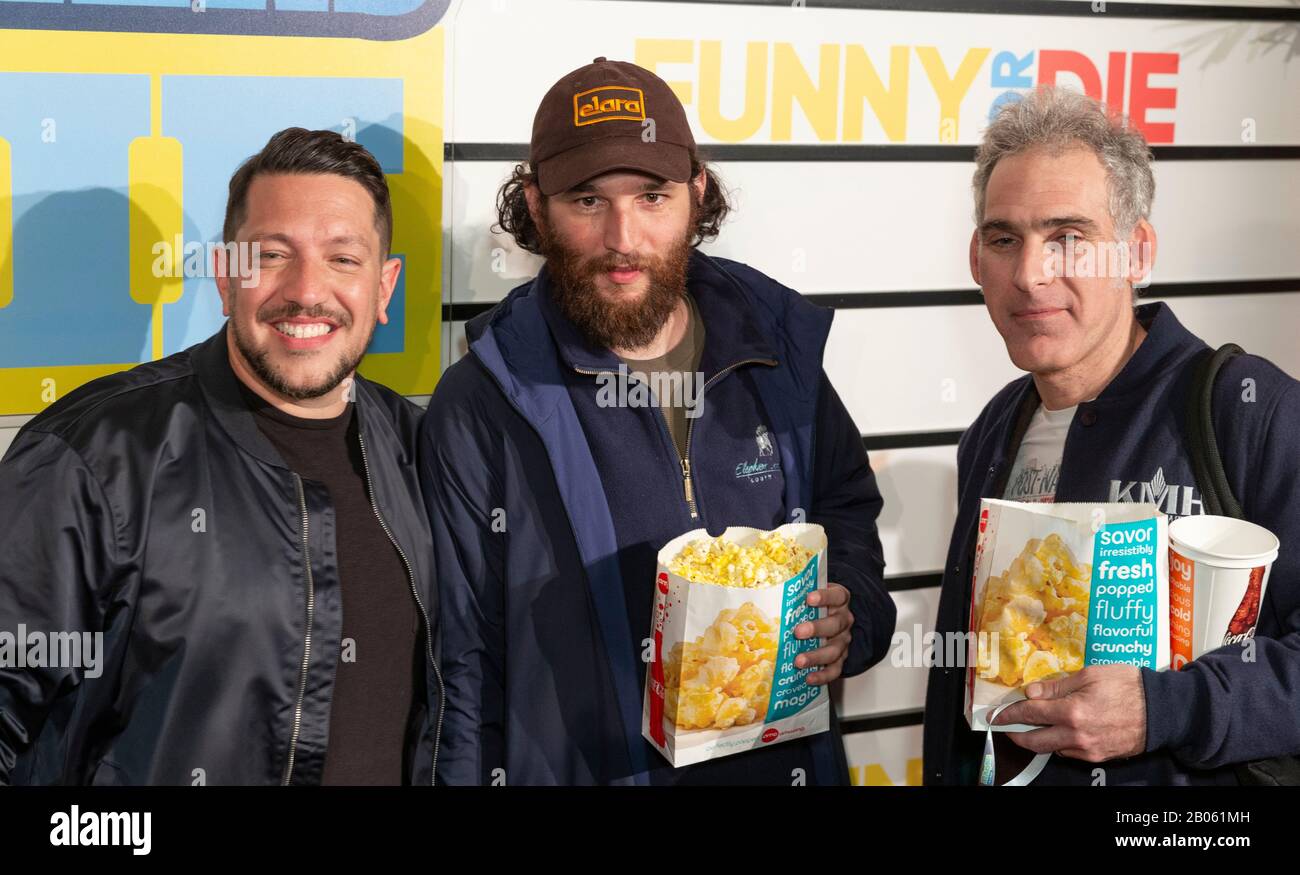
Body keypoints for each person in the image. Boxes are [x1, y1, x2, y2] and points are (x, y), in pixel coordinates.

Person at [421, 57, 894, 786]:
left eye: (651, 196)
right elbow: (461, 670)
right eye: (586, 200)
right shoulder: (481, 404)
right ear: (537, 209)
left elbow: (846, 511)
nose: (623, 236)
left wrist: (850, 610)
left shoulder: (777, 350)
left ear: (696, 192)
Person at [0, 128, 443, 785]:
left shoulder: (424, 450)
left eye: (343, 259)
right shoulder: (96, 453)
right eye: (270, 255)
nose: (306, 290)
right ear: (224, 275)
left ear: (384, 288)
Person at [923, 86, 1300, 785]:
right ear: (977, 259)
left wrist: (1166, 709)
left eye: (1069, 237)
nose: (1032, 273)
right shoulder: (990, 433)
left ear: (1137, 251)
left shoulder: (1250, 412)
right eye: (1006, 238)